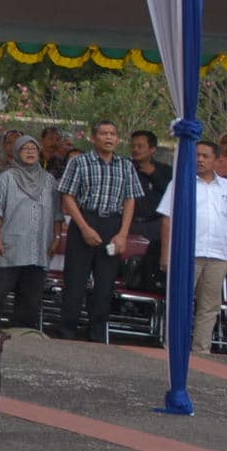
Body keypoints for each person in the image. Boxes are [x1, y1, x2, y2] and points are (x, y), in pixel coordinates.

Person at [54, 119, 139, 343]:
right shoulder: (80, 162)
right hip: (85, 219)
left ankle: (97, 335)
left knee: (105, 285)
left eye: (113, 133)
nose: (109, 137)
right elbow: (68, 196)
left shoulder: (126, 165)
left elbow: (130, 200)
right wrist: (84, 227)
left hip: (112, 224)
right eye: (104, 133)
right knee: (75, 282)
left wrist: (123, 234)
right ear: (94, 138)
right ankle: (67, 332)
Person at [157, 142, 227, 354]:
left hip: (218, 255)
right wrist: (165, 254)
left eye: (205, 156)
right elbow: (167, 219)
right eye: (196, 155)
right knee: (181, 302)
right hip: (187, 253)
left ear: (216, 160)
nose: (200, 160)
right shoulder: (180, 183)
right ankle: (175, 349)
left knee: (209, 305)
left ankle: (201, 350)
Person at [0, 135, 55, 331]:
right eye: (25, 148)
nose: (31, 152)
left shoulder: (49, 180)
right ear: (16, 152)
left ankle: (22, 340)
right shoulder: (6, 178)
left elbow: (56, 214)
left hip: (37, 249)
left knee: (30, 301)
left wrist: (55, 238)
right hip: (8, 247)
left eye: (34, 148)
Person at [126, 129, 172, 290]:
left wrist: (153, 174)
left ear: (152, 149)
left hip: (156, 226)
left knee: (151, 267)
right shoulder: (125, 167)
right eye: (133, 146)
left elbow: (172, 194)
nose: (136, 149)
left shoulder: (165, 170)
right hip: (128, 224)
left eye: (140, 146)